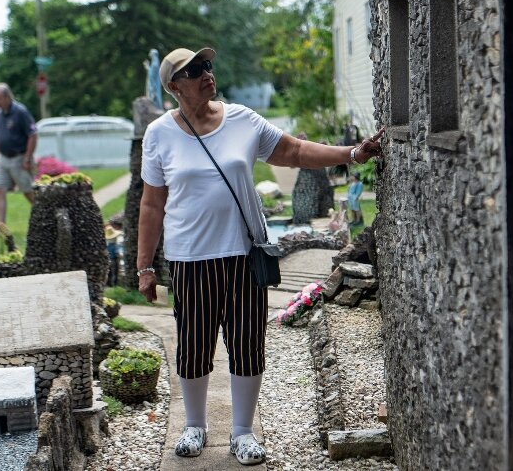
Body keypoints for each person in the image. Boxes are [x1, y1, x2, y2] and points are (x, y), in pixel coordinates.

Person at [136, 47, 383, 465]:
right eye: (194, 71)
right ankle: (194, 426)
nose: (206, 74)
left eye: (208, 65)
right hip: (190, 258)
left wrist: (352, 153)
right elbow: (151, 205)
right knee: (194, 346)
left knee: (248, 344)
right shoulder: (159, 134)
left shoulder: (241, 119)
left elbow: (296, 151)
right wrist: (144, 266)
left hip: (244, 254)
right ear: (174, 87)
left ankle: (242, 432)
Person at [0, 83, 37, 224]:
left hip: (19, 157)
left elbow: (33, 134)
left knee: (28, 192)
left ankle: (46, 217)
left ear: (7, 97)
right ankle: (1, 227)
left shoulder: (20, 111)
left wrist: (27, 158)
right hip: (3, 158)